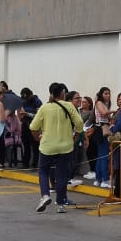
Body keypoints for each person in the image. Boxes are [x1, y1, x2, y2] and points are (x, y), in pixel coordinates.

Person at [29, 82, 82, 213]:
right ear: (63, 93)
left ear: (51, 94)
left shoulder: (44, 108)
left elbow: (33, 126)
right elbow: (79, 122)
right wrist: (76, 136)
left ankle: (45, 195)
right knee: (62, 174)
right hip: (66, 146)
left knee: (43, 171)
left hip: (47, 146)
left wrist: (38, 138)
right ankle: (60, 204)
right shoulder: (69, 105)